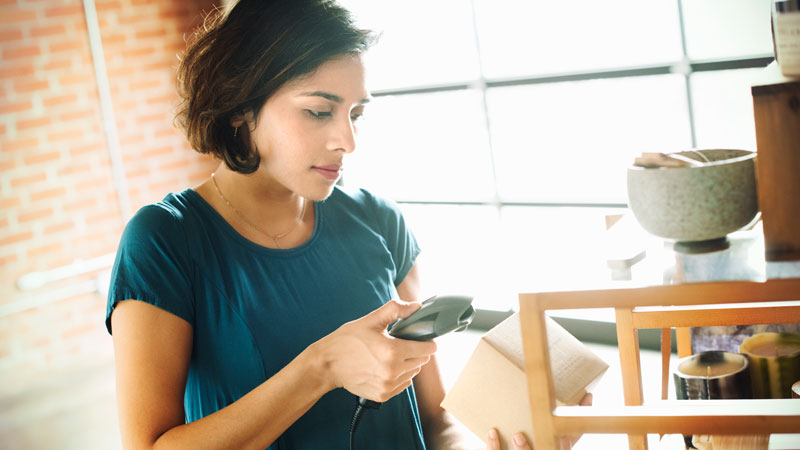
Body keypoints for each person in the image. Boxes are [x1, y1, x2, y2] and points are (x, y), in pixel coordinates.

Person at [106, 1, 587, 449]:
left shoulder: (379, 219)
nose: (348, 141)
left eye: (356, 114)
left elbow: (436, 421)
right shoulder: (164, 241)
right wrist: (321, 367)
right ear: (238, 108)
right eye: (319, 112)